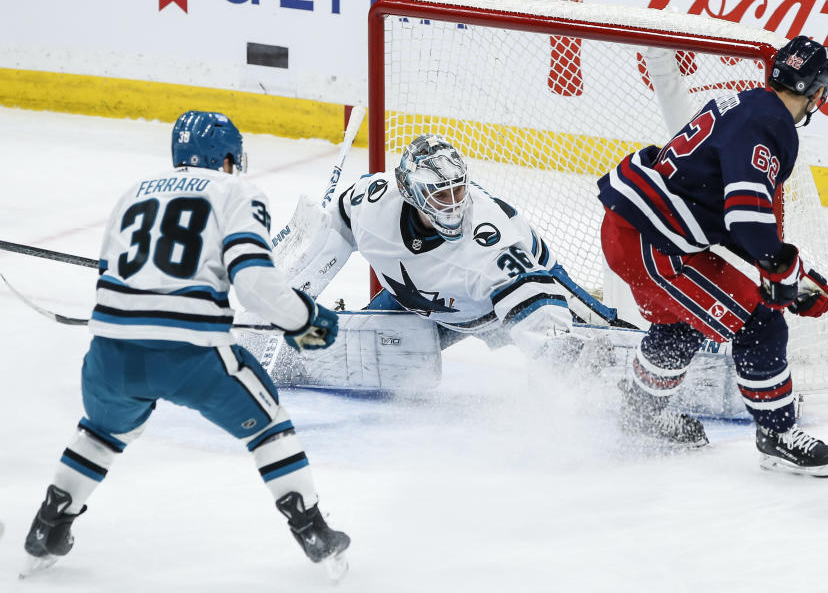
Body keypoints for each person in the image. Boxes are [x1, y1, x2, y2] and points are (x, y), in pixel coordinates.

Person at [22, 111, 350, 576]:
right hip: (191, 355)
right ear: (229, 158)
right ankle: (313, 530)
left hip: (109, 353)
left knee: (101, 432)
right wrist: (304, 319)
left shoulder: (130, 194)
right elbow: (254, 283)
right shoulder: (236, 192)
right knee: (268, 425)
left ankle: (47, 525)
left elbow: (108, 277)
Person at [597, 36, 828, 476]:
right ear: (818, 91)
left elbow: (723, 215)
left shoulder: (745, 103)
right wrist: (782, 273)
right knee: (760, 321)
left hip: (632, 231)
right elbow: (745, 215)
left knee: (686, 320)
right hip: (659, 244)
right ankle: (777, 435)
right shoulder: (772, 126)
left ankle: (640, 414)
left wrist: (792, 271)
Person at [277, 133, 623, 384]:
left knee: (602, 339)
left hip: (507, 299)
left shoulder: (489, 242)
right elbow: (339, 226)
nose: (454, 203)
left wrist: (556, 357)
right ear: (409, 191)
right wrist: (297, 295)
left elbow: (533, 297)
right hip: (421, 303)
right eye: (440, 195)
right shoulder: (374, 201)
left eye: (458, 189)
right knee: (359, 356)